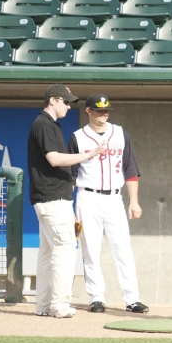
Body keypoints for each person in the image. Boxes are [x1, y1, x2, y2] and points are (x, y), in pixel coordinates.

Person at [28, 84, 107, 318]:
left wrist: (67, 204)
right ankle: (58, 304)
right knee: (64, 250)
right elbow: (53, 159)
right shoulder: (43, 124)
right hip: (51, 197)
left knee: (47, 252)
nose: (68, 106)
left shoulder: (49, 125)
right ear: (53, 100)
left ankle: (43, 306)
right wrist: (88, 155)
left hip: (53, 198)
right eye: (65, 101)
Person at [67, 94, 149, 314]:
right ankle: (96, 297)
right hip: (87, 197)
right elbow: (71, 176)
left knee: (123, 248)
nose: (103, 114)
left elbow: (131, 170)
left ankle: (132, 299)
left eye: (106, 110)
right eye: (99, 110)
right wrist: (69, 207)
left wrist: (134, 201)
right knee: (90, 249)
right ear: (88, 112)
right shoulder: (78, 137)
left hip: (114, 197)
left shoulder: (119, 133)